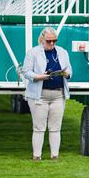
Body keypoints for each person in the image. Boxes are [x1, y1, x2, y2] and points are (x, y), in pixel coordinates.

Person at [22, 27, 72, 161]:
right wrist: (39, 77)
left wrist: (66, 74)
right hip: (39, 95)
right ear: (42, 40)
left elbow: (69, 70)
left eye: (54, 41)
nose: (52, 44)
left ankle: (54, 156)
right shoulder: (33, 52)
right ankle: (36, 156)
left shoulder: (62, 52)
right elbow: (26, 71)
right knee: (39, 127)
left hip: (58, 94)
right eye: (49, 41)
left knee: (56, 127)